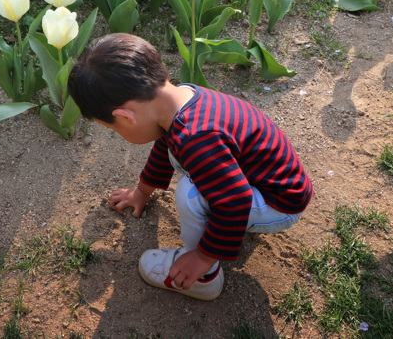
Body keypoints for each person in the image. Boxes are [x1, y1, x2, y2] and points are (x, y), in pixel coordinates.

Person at [68, 33, 312, 300]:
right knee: (186, 162)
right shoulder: (183, 99)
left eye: (114, 130)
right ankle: (221, 238)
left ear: (125, 117)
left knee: (190, 194)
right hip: (263, 179)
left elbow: (236, 201)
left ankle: (205, 279)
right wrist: (141, 191)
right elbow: (166, 145)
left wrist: (203, 257)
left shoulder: (195, 139)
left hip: (278, 203)